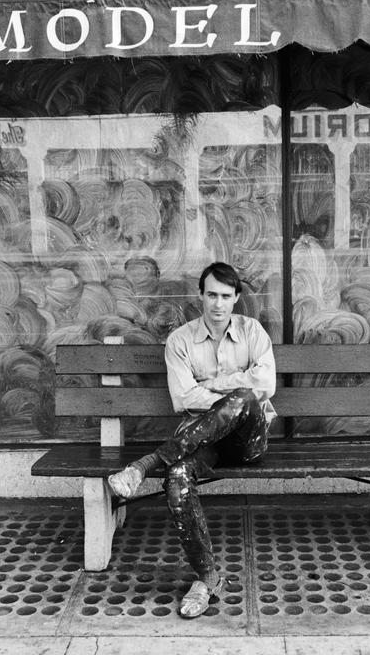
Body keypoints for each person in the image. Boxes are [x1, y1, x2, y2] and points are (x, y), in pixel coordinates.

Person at [107, 262, 275, 619]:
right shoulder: (180, 340)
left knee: (245, 399)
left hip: (248, 442)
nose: (218, 303)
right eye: (211, 294)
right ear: (201, 295)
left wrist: (216, 385)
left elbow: (264, 388)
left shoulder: (253, 332)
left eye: (226, 296)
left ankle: (145, 464)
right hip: (204, 441)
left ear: (236, 299)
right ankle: (207, 577)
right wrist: (234, 388)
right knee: (178, 477)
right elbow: (183, 398)